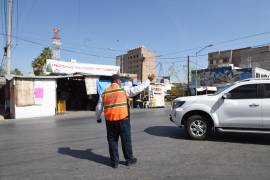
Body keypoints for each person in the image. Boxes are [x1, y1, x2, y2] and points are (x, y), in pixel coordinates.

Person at [96, 74, 155, 168]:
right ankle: (129, 160)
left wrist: (98, 118)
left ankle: (114, 162)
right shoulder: (124, 89)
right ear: (118, 81)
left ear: (111, 82)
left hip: (110, 121)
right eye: (120, 81)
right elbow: (138, 89)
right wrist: (148, 80)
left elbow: (99, 107)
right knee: (126, 140)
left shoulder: (104, 92)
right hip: (123, 119)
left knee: (112, 141)